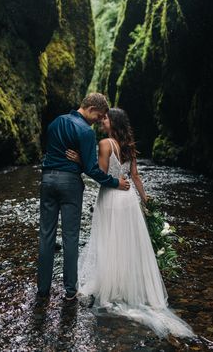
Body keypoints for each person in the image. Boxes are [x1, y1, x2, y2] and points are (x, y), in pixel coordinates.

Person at [66, 108, 194, 338]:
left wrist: (81, 162)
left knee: (109, 241)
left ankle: (113, 286)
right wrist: (146, 201)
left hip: (111, 197)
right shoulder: (129, 145)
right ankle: (129, 286)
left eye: (105, 118)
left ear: (113, 122)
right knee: (126, 243)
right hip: (129, 200)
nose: (102, 121)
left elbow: (100, 174)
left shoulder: (105, 144)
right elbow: (135, 176)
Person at [37, 94, 130, 301]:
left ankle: (42, 290)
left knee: (46, 236)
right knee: (70, 238)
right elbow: (92, 170)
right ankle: (70, 291)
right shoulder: (85, 132)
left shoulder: (54, 123)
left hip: (47, 180)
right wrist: (115, 183)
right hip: (69, 184)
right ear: (90, 108)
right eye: (99, 116)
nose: (99, 120)